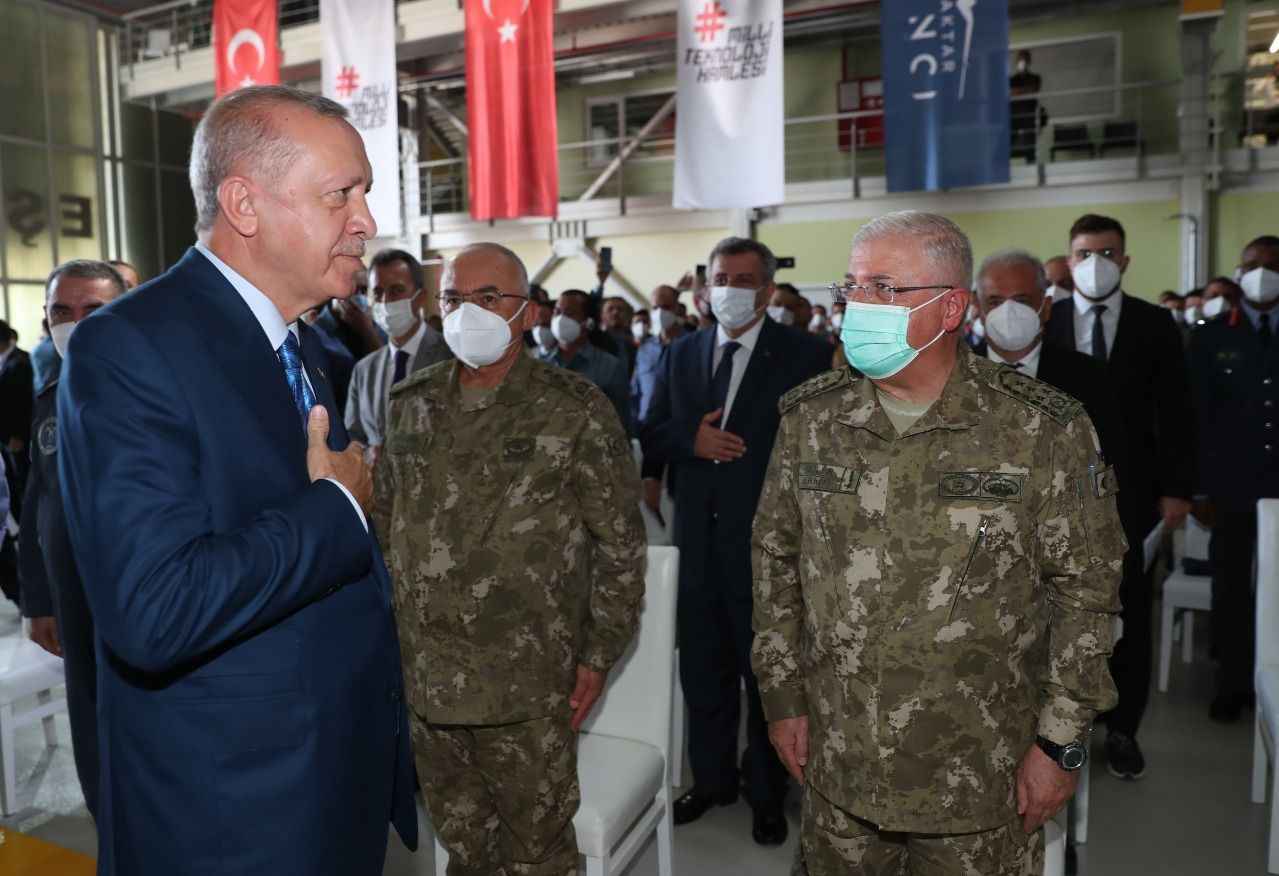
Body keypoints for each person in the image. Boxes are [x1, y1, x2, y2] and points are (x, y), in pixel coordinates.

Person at [56, 85, 417, 875]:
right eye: (340, 195)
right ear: (244, 205)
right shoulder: (129, 348)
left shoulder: (304, 346)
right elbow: (154, 610)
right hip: (230, 812)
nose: (364, 221)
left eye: (362, 195)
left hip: (328, 777)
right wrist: (338, 509)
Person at [753, 211, 1124, 875]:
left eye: (883, 288)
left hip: (980, 772)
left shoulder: (1040, 429)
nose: (858, 304)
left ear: (950, 308)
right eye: (852, 287)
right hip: (838, 762)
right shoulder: (811, 419)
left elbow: (1086, 595)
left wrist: (1059, 744)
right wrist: (782, 699)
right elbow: (775, 562)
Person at [374, 242, 645, 876]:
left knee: (537, 853)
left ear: (527, 313)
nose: (469, 311)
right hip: (431, 680)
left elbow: (620, 544)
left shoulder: (573, 408)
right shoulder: (410, 403)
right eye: (454, 298)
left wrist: (598, 653)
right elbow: (386, 528)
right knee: (465, 849)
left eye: (489, 297)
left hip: (528, 682)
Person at [640, 237, 830, 846]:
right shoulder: (681, 352)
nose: (729, 290)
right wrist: (687, 441)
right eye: (721, 278)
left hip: (769, 547)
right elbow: (651, 430)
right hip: (697, 542)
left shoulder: (806, 354)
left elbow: (821, 446)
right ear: (705, 287)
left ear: (767, 291)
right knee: (703, 670)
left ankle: (768, 793)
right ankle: (713, 780)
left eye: (744, 280)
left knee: (767, 676)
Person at [1045, 213, 1195, 781]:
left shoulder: (1154, 324)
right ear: (1069, 259)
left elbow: (1177, 412)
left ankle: (1124, 729)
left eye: (1106, 253)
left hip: (1132, 491)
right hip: (1059, 493)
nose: (1096, 264)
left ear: (1125, 260)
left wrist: (1176, 489)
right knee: (1059, 609)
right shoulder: (1047, 319)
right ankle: (1060, 726)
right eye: (1085, 253)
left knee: (1128, 607)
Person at [19, 259, 131, 818]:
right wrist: (39, 600)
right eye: (62, 312)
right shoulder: (49, 398)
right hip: (73, 598)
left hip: (140, 594)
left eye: (94, 310)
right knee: (90, 725)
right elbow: (37, 501)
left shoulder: (158, 392)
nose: (76, 324)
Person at [1188, 235, 1279, 723]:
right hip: (1231, 483)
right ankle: (1233, 682)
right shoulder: (1212, 335)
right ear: (1239, 274)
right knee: (1230, 586)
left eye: (1273, 265)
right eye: (1253, 265)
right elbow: (1198, 415)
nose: (1263, 273)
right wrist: (1199, 487)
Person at [972, 249, 1126, 477]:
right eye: (995, 302)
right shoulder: (952, 374)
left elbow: (1114, 460)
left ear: (1045, 307)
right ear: (978, 307)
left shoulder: (1089, 375)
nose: (1008, 312)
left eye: (1021, 301)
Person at [345, 248, 451, 452]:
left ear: (421, 297)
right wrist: (366, 456)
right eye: (378, 293)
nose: (386, 301)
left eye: (396, 290)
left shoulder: (451, 357)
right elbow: (353, 437)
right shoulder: (363, 370)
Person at [541, 289, 633, 435]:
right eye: (557, 312)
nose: (560, 319)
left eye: (569, 313)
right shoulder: (540, 364)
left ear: (588, 322)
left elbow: (621, 422)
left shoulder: (610, 367)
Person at [0, 319, 33, 467]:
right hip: (6, 435)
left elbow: (23, 403)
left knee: (20, 473)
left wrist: (17, 435)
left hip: (15, 437)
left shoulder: (20, 362)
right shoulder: (6, 359)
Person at [1010, 49, 1044, 163]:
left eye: (1024, 59)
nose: (1022, 61)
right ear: (1016, 62)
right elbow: (1010, 93)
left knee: (1030, 147)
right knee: (1004, 145)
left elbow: (1034, 89)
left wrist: (1017, 92)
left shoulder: (1035, 77)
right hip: (1014, 116)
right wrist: (1025, 90)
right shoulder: (1012, 79)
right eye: (1020, 59)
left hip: (1029, 115)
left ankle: (1031, 167)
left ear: (1029, 61)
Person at [30, 320, 60, 393]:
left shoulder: (36, 349)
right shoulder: (60, 347)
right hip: (57, 388)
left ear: (44, 329)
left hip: (40, 390)